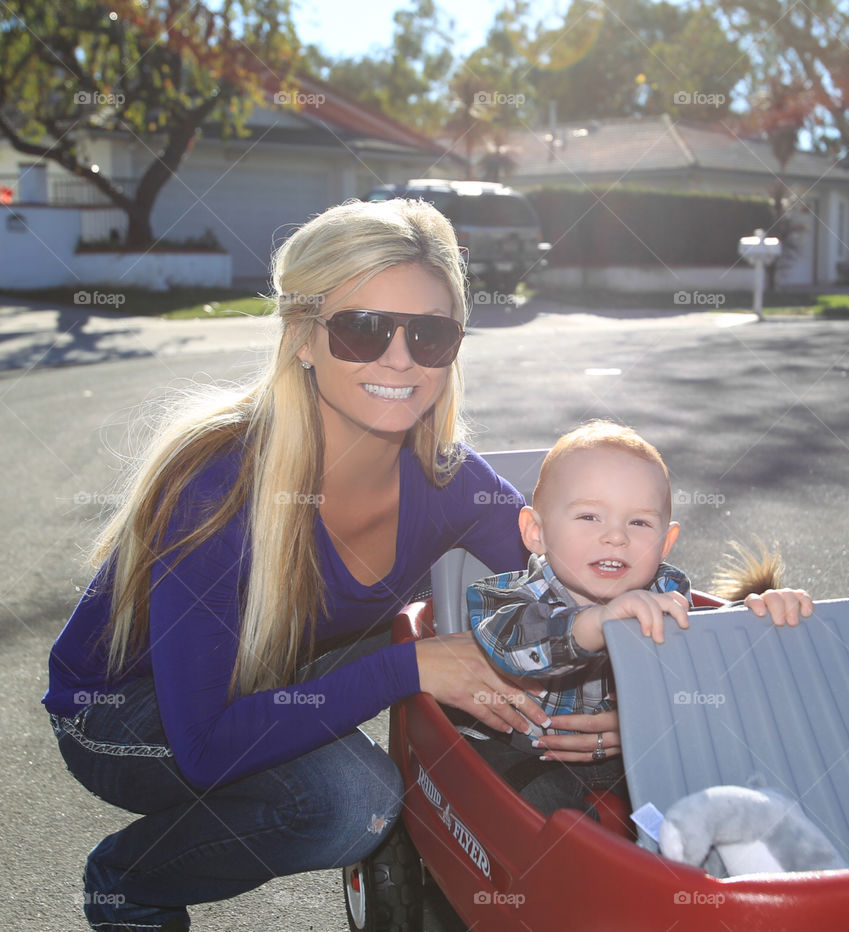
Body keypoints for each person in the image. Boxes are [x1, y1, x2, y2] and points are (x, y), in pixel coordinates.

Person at [42, 198, 569, 932]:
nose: (399, 359)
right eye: (362, 328)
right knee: (350, 803)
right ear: (302, 337)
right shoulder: (214, 488)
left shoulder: (452, 478)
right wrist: (412, 669)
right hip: (132, 712)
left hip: (276, 666)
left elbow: (565, 593)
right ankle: (129, 881)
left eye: (429, 333)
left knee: (488, 634)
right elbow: (203, 749)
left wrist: (625, 675)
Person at [467, 420, 813, 818]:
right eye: (589, 517)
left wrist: (759, 621)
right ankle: (582, 863)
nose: (616, 536)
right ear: (535, 532)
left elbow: (701, 655)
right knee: (537, 804)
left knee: (714, 778)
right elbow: (518, 647)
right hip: (523, 750)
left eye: (639, 522)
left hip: (632, 748)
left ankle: (689, 856)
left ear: (666, 542)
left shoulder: (665, 594)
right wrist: (597, 623)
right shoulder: (505, 599)